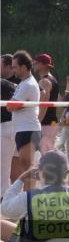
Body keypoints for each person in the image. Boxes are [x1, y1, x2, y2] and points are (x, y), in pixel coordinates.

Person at [10, 51, 41, 190]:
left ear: (23, 67)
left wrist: (13, 106)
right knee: (25, 166)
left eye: (15, 67)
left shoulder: (28, 84)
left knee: (28, 166)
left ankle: (30, 199)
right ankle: (28, 199)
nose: (13, 70)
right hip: (23, 128)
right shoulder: (23, 83)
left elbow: (11, 106)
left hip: (28, 129)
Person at [32, 54, 59, 154]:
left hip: (45, 123)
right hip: (52, 121)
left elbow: (43, 104)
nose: (33, 65)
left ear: (43, 65)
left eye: (35, 63)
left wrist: (37, 121)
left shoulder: (44, 81)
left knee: (45, 155)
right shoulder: (53, 79)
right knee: (48, 152)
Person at [1, 56, 14, 189]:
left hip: (6, 126)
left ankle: (3, 197)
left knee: (4, 167)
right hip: (9, 126)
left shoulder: (4, 84)